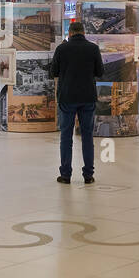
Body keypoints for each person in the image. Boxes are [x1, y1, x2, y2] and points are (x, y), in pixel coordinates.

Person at [49, 22, 103, 184]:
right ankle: (88, 175)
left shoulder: (62, 49)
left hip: (67, 97)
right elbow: (100, 72)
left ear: (70, 33)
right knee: (87, 136)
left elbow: (54, 72)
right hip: (87, 97)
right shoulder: (93, 48)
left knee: (66, 136)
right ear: (84, 32)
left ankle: (65, 175)